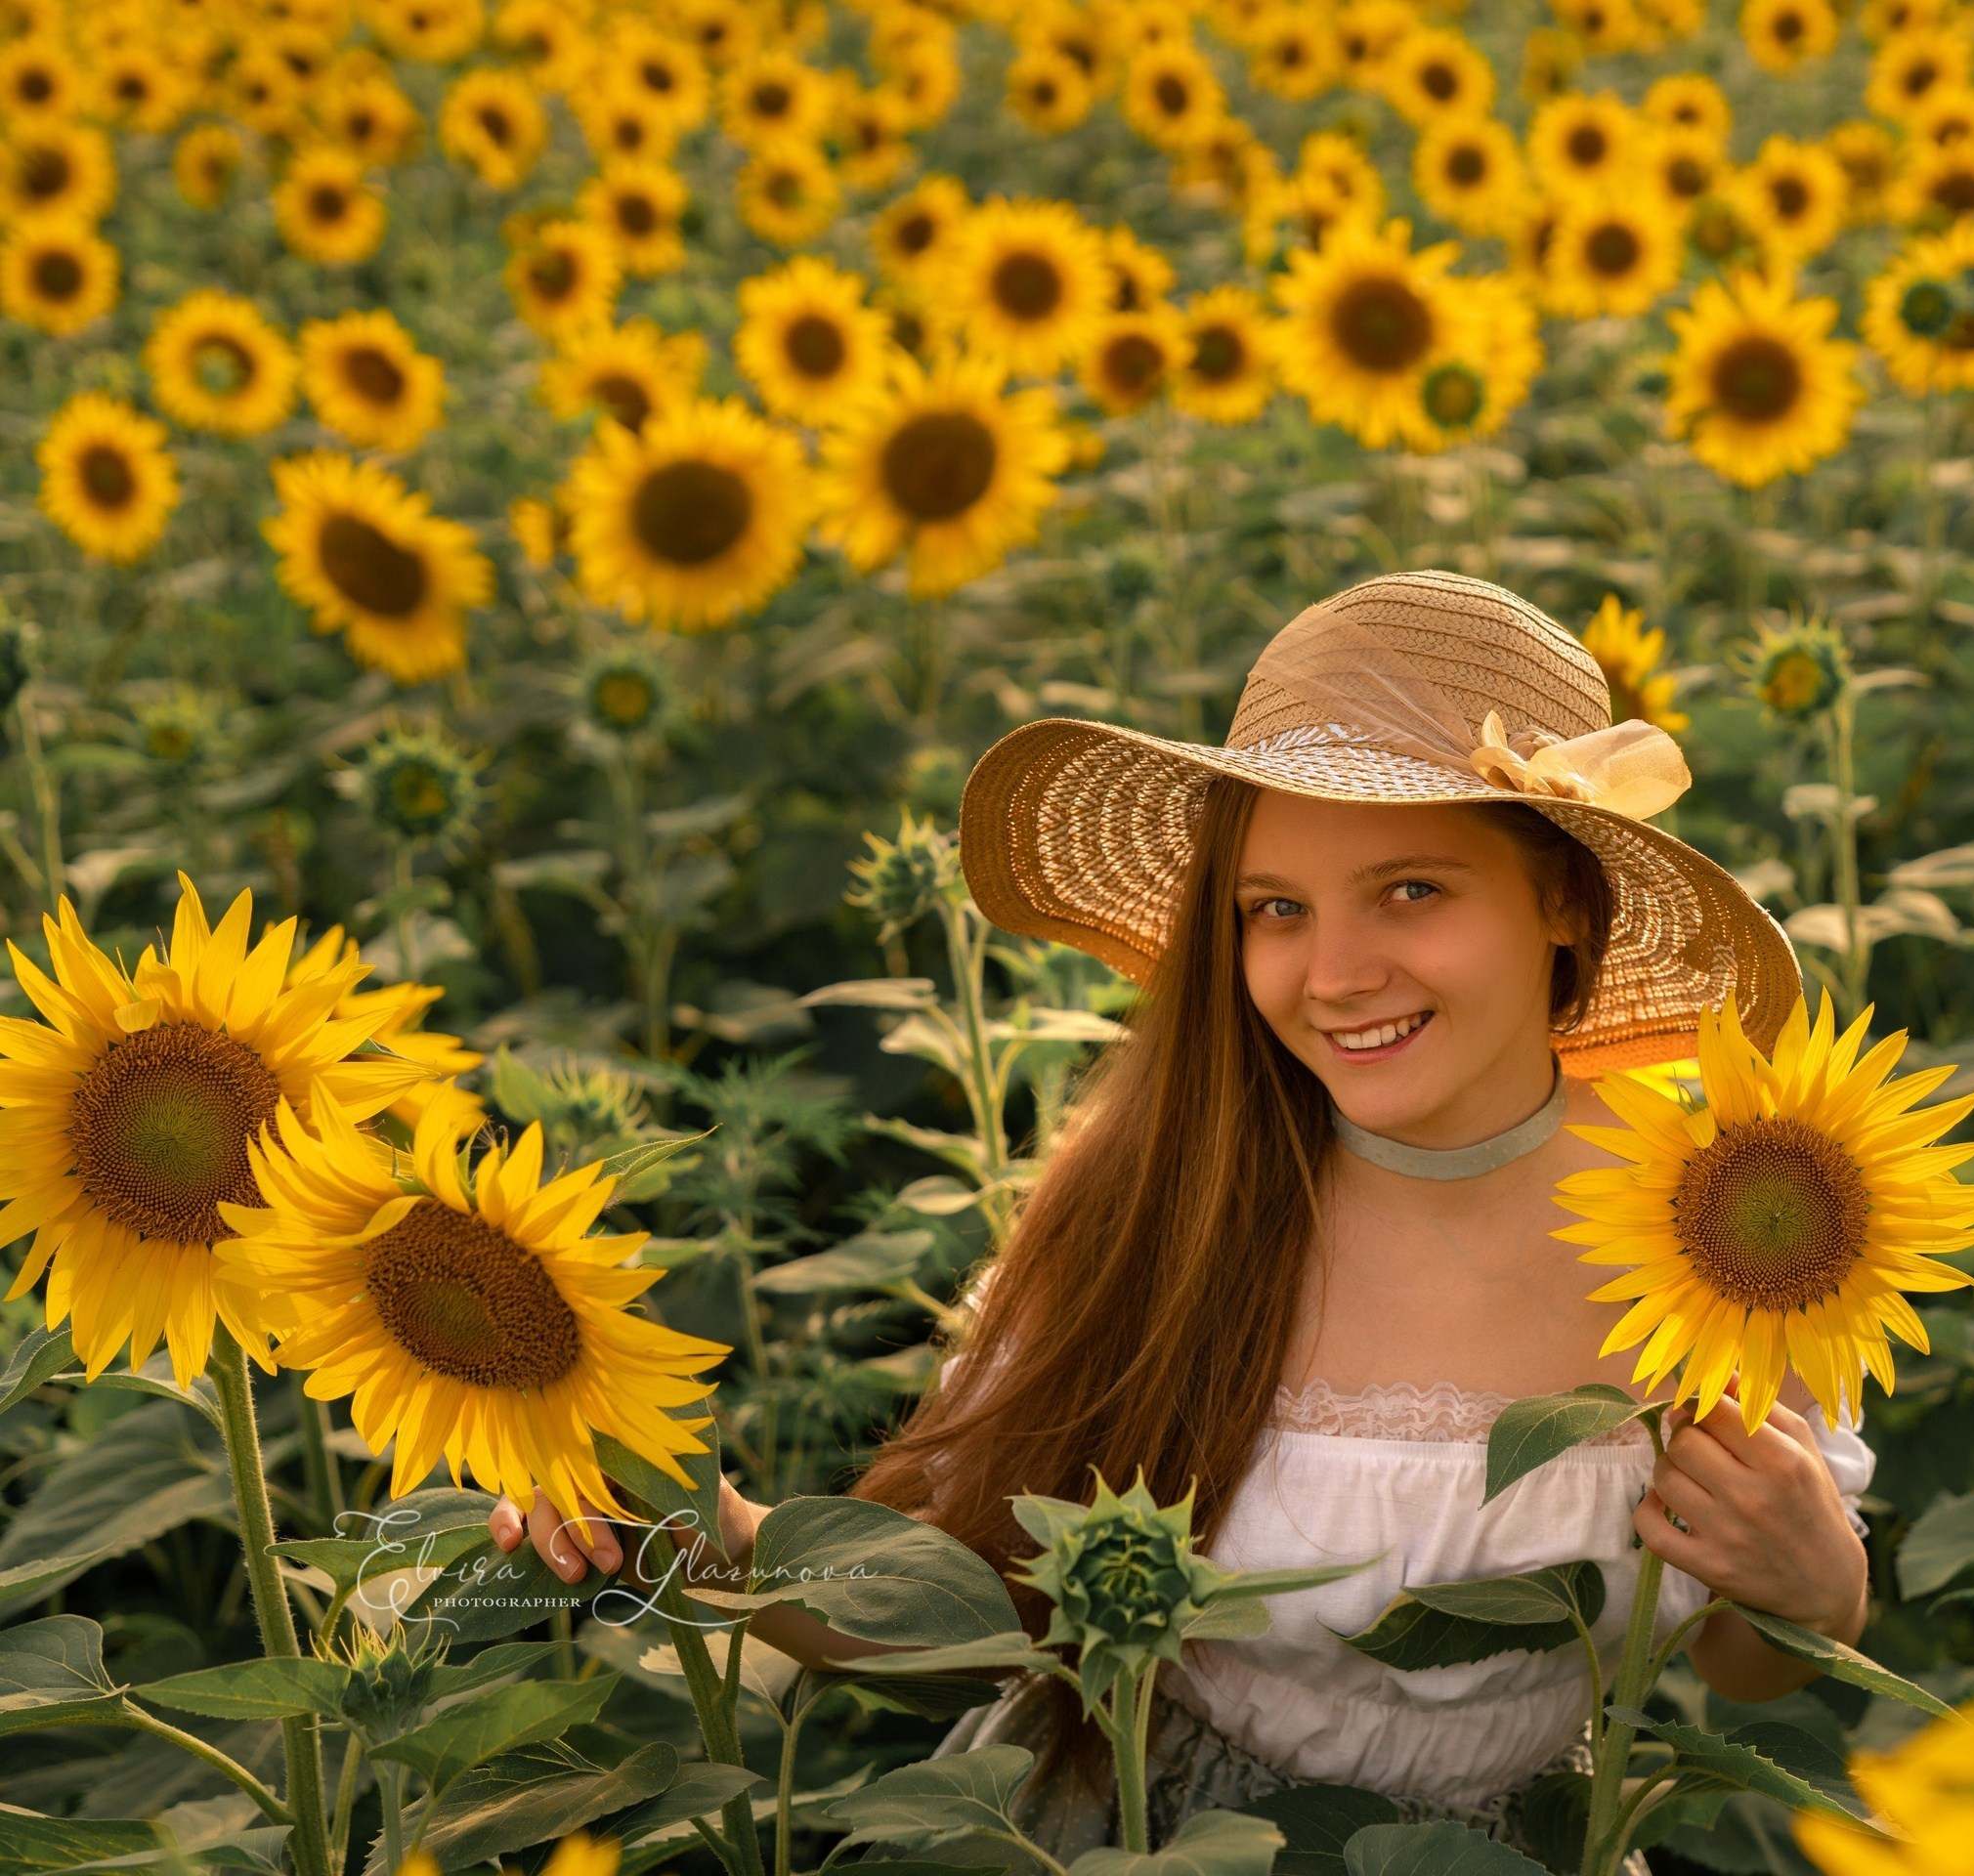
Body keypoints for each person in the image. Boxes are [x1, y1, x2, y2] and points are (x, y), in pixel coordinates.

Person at [489, 572, 1874, 1866]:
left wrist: (1819, 1588)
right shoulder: (1173, 1185)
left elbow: (1736, 1656)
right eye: (1275, 908)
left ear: (1563, 897)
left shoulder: (1727, 1225)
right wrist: (676, 1524)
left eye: (1411, 890)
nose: (1334, 975)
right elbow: (962, 1612)